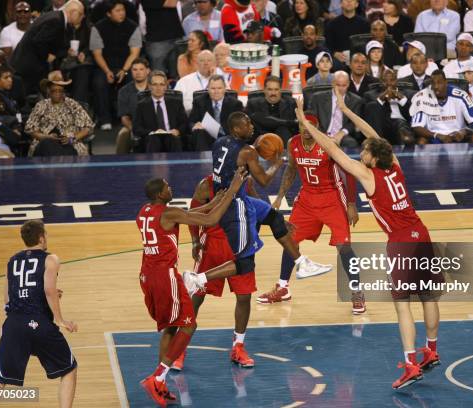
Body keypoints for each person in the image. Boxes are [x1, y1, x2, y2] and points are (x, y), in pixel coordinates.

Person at [295, 94, 442, 389]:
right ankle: (432, 351)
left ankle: (411, 364)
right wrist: (347, 110)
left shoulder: (368, 175)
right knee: (427, 297)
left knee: (402, 306)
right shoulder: (395, 164)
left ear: (373, 159)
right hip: (421, 233)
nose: (361, 154)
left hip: (401, 242)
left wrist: (302, 119)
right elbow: (374, 135)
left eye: (364, 153)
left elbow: (332, 149)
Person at [182, 111, 333, 294]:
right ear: (237, 129)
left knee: (275, 217)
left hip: (239, 197)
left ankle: (302, 263)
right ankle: (198, 278)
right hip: (235, 206)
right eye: (247, 124)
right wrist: (277, 163)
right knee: (245, 263)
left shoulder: (219, 142)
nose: (252, 126)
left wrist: (252, 149)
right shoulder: (247, 152)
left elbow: (236, 157)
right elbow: (264, 181)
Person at [137, 169, 247, 406]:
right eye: (167, 186)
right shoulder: (167, 212)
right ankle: (157, 377)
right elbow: (210, 221)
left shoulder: (145, 212)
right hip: (164, 277)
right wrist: (232, 192)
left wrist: (214, 201)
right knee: (188, 325)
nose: (170, 188)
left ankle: (161, 381)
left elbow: (187, 215)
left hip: (147, 275)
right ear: (159, 194)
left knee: (170, 326)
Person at [257, 112, 364, 313]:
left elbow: (348, 171)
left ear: (318, 128)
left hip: (332, 197)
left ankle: (357, 292)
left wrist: (351, 204)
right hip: (307, 198)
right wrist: (280, 196)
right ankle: (283, 288)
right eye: (302, 125)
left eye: (310, 125)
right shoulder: (293, 143)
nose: (306, 130)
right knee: (290, 240)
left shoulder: (328, 144)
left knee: (344, 247)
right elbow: (291, 169)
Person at [0, 220, 77, 408]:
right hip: (40, 324)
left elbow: (7, 298)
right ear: (41, 237)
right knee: (69, 369)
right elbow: (49, 290)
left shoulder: (12, 260)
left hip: (14, 324)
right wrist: (60, 320)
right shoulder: (50, 258)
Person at [186, 175, 259, 369]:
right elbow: (191, 215)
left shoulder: (246, 181)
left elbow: (258, 206)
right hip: (212, 244)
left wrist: (255, 233)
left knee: (244, 297)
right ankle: (179, 348)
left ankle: (238, 347)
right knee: (197, 295)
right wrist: (194, 241)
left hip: (240, 245)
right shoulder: (205, 185)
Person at [10, 0, 84, 95]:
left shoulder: (56, 17)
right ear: (73, 12)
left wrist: (64, 51)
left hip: (28, 63)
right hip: (28, 66)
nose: (82, 17)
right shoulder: (56, 20)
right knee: (26, 99)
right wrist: (47, 55)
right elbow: (39, 41)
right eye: (81, 14)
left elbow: (49, 41)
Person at [90, 0, 141, 130]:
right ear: (108, 13)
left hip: (127, 65)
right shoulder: (97, 28)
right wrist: (107, 71)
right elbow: (97, 54)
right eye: (117, 11)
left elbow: (134, 53)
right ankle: (105, 119)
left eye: (123, 10)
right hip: (105, 65)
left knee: (134, 80)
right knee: (99, 82)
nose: (122, 13)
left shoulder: (133, 27)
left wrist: (124, 70)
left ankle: (132, 118)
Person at [24, 71, 94, 156]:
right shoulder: (41, 105)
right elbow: (30, 130)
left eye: (60, 91)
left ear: (64, 91)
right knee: (47, 145)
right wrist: (47, 137)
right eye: (54, 91)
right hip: (44, 144)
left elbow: (88, 127)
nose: (57, 94)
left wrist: (72, 139)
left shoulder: (72, 104)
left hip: (70, 144)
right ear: (49, 91)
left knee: (62, 151)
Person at [410, 70, 473, 144]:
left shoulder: (460, 95)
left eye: (439, 83)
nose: (436, 86)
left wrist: (462, 132)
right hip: (434, 138)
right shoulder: (422, 97)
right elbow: (416, 126)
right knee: (421, 141)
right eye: (433, 83)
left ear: (445, 82)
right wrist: (437, 135)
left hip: (457, 137)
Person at [133, 70, 189, 152]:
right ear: (149, 86)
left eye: (161, 84)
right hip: (152, 138)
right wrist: (152, 132)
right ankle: (153, 164)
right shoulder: (142, 105)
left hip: (172, 137)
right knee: (154, 140)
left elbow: (184, 123)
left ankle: (176, 164)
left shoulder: (176, 103)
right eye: (155, 84)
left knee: (173, 139)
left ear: (166, 86)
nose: (158, 88)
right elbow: (136, 128)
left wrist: (178, 131)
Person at [189, 74, 243, 151]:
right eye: (213, 88)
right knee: (200, 132)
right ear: (208, 89)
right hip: (206, 138)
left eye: (219, 88)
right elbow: (191, 122)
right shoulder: (199, 102)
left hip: (227, 138)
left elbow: (239, 126)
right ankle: (205, 161)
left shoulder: (235, 104)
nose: (216, 91)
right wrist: (195, 125)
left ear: (225, 89)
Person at [310, 71, 363, 148]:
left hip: (342, 136)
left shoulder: (355, 100)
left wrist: (341, 133)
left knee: (351, 143)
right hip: (321, 133)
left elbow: (353, 122)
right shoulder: (318, 98)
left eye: (344, 85)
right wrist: (322, 135)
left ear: (348, 84)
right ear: (333, 83)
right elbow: (312, 119)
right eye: (338, 85)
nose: (341, 88)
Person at [364, 69, 414, 145]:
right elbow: (370, 113)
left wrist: (401, 99)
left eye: (392, 80)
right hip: (382, 126)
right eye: (385, 80)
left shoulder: (408, 94)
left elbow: (413, 113)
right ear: (380, 82)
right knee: (372, 105)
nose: (388, 83)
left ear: (396, 80)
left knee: (400, 124)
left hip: (402, 125)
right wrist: (381, 98)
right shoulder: (370, 95)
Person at [245, 75, 297, 144]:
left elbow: (294, 128)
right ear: (264, 90)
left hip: (283, 139)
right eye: (270, 89)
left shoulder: (290, 103)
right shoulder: (253, 104)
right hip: (261, 140)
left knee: (283, 130)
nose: (273, 93)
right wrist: (288, 122)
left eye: (276, 89)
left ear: (280, 90)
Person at [116, 57, 150, 154]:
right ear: (131, 72)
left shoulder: (155, 88)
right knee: (123, 134)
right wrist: (134, 129)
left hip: (154, 126)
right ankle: (120, 164)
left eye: (141, 69)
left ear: (147, 71)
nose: (138, 72)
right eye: (135, 70)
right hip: (133, 126)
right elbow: (124, 117)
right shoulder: (124, 91)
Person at [325, 0, 370, 66]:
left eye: (352, 0)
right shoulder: (332, 24)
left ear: (357, 4)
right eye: (346, 0)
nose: (349, 1)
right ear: (341, 4)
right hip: (339, 62)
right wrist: (334, 54)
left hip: (361, 61)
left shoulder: (365, 24)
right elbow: (327, 45)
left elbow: (368, 45)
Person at [175, 49, 216, 113]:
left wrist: (214, 78)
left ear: (214, 63)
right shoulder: (184, 81)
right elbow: (176, 104)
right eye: (202, 60)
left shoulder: (221, 80)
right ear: (197, 63)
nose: (206, 63)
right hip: (192, 116)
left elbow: (228, 99)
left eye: (209, 60)